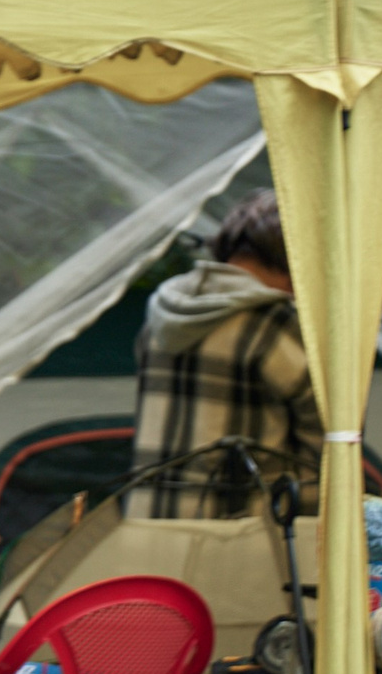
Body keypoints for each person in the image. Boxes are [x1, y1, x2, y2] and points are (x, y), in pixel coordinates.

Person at [127, 189, 321, 519]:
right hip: (240, 541)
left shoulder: (162, 314)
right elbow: (327, 449)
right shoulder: (274, 324)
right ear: (297, 259)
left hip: (150, 526)